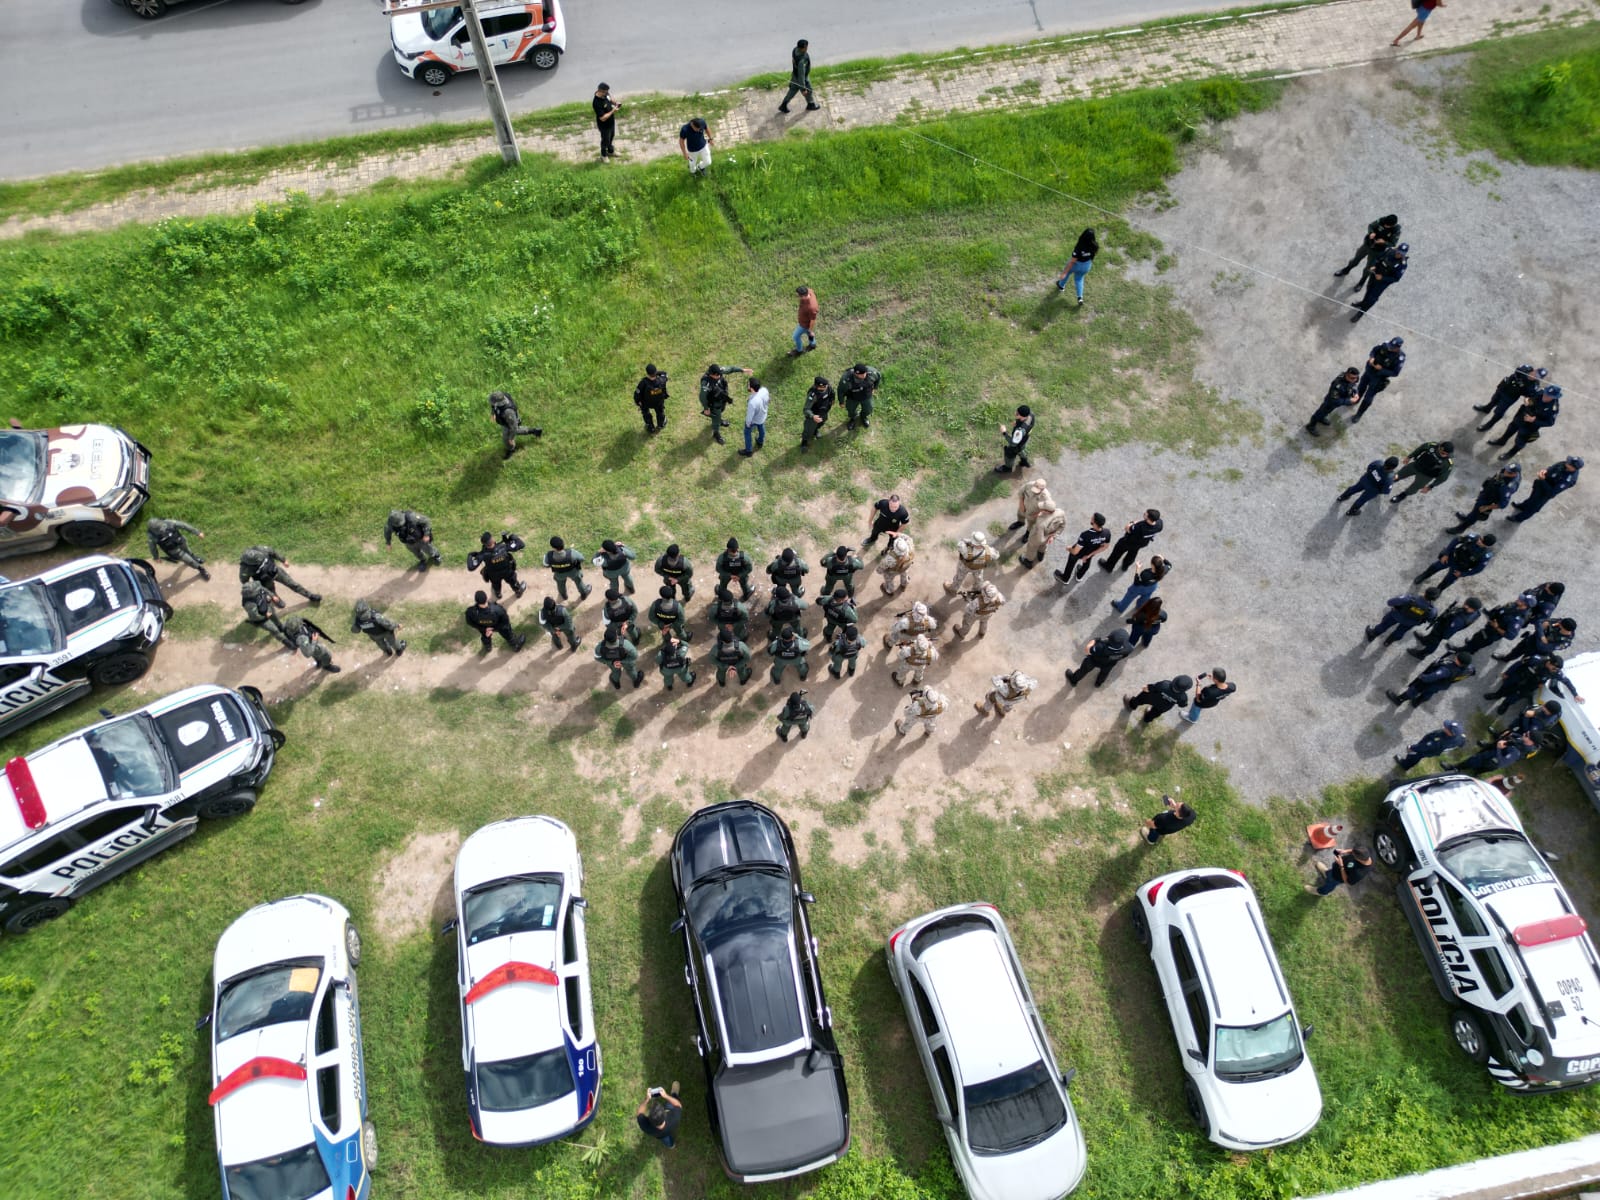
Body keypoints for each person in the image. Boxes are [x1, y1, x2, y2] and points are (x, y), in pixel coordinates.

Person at [1489, 385, 1562, 462]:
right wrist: (1527, 399)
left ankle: (1511, 453)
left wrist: (1534, 420)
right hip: (1522, 415)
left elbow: (1550, 422)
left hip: (1530, 426)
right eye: (1545, 393)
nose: (1545, 396)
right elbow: (1530, 395)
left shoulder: (1553, 408)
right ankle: (1501, 441)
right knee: (1511, 428)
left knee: (1520, 441)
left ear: (1554, 397)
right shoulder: (1541, 392)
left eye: (1548, 396)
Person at [1386, 650, 1474, 707]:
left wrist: (1423, 677)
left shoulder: (1447, 669)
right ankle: (1417, 702)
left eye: (1457, 657)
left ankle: (1400, 700)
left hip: (1432, 682)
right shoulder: (1468, 669)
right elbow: (1471, 672)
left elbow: (1434, 676)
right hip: (1443, 684)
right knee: (1429, 692)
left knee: (1414, 689)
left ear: (1458, 661)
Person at [1448, 465, 1521, 533]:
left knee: (1475, 514)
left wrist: (1487, 507)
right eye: (1506, 469)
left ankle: (1461, 528)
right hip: (1486, 493)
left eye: (1508, 472)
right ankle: (1467, 518)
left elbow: (1503, 504)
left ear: (1514, 474)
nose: (1505, 471)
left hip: (1488, 501)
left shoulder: (1508, 487)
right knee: (1474, 511)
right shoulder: (1507, 470)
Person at [1508, 456, 1582, 522]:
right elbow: (1553, 467)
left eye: (1569, 463)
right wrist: (1545, 470)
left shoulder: (1568, 480)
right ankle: (1523, 506)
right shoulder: (1564, 464)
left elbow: (1552, 492)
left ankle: (1518, 518)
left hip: (1545, 493)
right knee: (1532, 498)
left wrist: (1543, 480)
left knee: (1534, 507)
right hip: (1541, 484)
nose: (1566, 462)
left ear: (1573, 468)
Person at [1412, 533, 1494, 592]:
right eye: (1481, 539)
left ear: (1487, 546)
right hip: (1452, 557)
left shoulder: (1485, 555)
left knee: (1448, 580)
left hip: (1460, 568)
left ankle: (1438, 590)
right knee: (1435, 566)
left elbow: (1478, 569)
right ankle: (1424, 576)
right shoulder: (1473, 537)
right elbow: (1456, 540)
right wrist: (1446, 553)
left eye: (1482, 542)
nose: (1479, 541)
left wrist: (1463, 574)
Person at [1476, 365, 1548, 432]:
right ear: (1535, 370)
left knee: (1499, 412)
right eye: (1536, 373)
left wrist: (1524, 390)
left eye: (1538, 376)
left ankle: (1489, 425)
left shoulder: (1534, 385)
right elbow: (1517, 370)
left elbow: (1529, 395)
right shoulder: (1527, 368)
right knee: (1494, 400)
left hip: (1510, 397)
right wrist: (1519, 379)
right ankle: (1486, 409)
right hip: (1504, 388)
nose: (1535, 376)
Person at [239, 545, 321, 603]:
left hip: (276, 571)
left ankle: (310, 596)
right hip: (264, 581)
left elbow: (273, 552)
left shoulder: (259, 549)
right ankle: (277, 601)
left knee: (292, 584)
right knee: (273, 595)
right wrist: (267, 593)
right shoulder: (244, 569)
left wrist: (283, 560)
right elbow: (246, 582)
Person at [1334, 214, 1400, 284]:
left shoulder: (1396, 231)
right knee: (1356, 259)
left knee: (1369, 268)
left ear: (1393, 225)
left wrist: (1384, 242)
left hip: (1377, 251)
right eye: (1385, 224)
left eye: (1388, 225)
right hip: (1367, 245)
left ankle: (1362, 282)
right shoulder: (1382, 220)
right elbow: (1371, 226)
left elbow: (1393, 243)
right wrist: (1371, 233)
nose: (1385, 226)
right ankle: (1346, 270)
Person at [1409, 595, 1482, 657]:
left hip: (1442, 630)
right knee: (1432, 635)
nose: (1464, 604)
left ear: (1471, 608)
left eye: (1466, 604)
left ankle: (1423, 654)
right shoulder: (1476, 612)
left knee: (1434, 642)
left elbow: (1449, 631)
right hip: (1443, 624)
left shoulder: (1459, 620)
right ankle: (1425, 640)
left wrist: (1441, 635)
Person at [1349, 243, 1407, 321]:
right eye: (1398, 251)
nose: (1398, 254)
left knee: (1372, 298)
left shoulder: (1402, 264)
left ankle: (1361, 313)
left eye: (1401, 253)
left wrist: (1382, 278)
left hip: (1381, 283)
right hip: (1375, 275)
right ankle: (1363, 302)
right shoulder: (1390, 251)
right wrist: (1374, 266)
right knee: (1369, 289)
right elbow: (1379, 258)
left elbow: (1395, 278)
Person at [1351, 338, 1405, 422]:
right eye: (1390, 346)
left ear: (1398, 348)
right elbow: (1374, 350)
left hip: (1378, 378)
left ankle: (1359, 414)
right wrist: (1371, 357)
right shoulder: (1385, 345)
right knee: (1361, 388)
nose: (1390, 348)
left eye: (1393, 347)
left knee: (1368, 398)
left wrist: (1381, 370)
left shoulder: (1400, 357)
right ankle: (1355, 400)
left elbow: (1395, 373)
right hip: (1369, 371)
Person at [1457, 596, 1531, 656]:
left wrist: (1496, 627)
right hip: (1489, 627)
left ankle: (1462, 650)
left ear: (1525, 606)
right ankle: (1471, 648)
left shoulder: (1518, 620)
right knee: (1476, 637)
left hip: (1492, 634)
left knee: (1478, 642)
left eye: (1522, 600)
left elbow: (1510, 636)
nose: (1519, 598)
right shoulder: (1514, 605)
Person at [1389, 440, 1454, 505]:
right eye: (1442, 452)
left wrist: (1430, 487)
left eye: (1446, 454)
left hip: (1426, 476)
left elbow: (1443, 478)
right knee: (1400, 474)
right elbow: (1420, 449)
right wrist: (1409, 457)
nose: (1443, 455)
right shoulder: (1431, 446)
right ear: (1439, 447)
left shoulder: (1448, 463)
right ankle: (1389, 482)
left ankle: (1402, 495)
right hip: (1416, 465)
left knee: (1414, 488)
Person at [698, 363, 750, 444]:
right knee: (716, 417)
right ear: (711, 374)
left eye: (719, 375)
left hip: (721, 398)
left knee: (721, 411)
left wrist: (742, 370)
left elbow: (731, 368)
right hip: (714, 404)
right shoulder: (706, 383)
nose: (719, 376)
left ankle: (720, 420)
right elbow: (702, 397)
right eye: (716, 375)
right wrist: (706, 408)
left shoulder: (719, 371)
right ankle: (716, 433)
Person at [1052, 513, 1112, 584]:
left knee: (1071, 562)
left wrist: (1069, 548)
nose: (1091, 518)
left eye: (1092, 518)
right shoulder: (1107, 532)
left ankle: (1065, 578)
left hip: (1079, 552)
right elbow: (1105, 547)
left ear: (1094, 522)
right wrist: (1089, 555)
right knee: (1086, 563)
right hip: (1090, 552)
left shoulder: (1085, 535)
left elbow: (1075, 552)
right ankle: (1079, 576)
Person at [468, 531, 528, 601]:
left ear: (484, 544)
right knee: (513, 582)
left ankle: (498, 594)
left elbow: (471, 567)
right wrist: (513, 537)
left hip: (494, 575)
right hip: (508, 572)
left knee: (496, 585)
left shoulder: (483, 554)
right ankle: (518, 591)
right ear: (492, 540)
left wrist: (470, 555)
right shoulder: (503, 547)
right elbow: (521, 544)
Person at [1365, 589, 1438, 647]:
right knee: (1400, 632)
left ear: (1425, 592)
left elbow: (1390, 602)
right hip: (1410, 623)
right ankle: (1388, 642)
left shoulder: (1410, 598)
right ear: (1434, 599)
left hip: (1396, 616)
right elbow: (1430, 619)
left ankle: (1372, 635)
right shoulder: (1432, 610)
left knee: (1384, 625)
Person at [1101, 509, 1163, 575]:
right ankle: (1125, 566)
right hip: (1142, 543)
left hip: (1128, 541)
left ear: (1149, 518)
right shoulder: (1159, 524)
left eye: (1145, 514)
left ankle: (1109, 566)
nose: (1144, 513)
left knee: (1117, 553)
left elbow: (1127, 528)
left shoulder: (1139, 527)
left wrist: (1132, 522)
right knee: (1132, 554)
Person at [1066, 629, 1133, 688]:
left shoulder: (1100, 647)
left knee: (1083, 670)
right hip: (1110, 663)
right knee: (1104, 673)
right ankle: (1098, 683)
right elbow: (1125, 655)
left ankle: (1073, 680)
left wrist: (1095, 640)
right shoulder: (1129, 648)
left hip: (1094, 661)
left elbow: (1088, 650)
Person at [1496, 615, 1576, 665]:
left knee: (1524, 663)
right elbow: (1539, 622)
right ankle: (1505, 659)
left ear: (1565, 628)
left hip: (1536, 651)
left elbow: (1542, 647)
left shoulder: (1564, 642)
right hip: (1530, 640)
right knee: (1516, 651)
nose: (1558, 624)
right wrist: (1541, 636)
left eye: (1560, 625)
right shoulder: (1559, 622)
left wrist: (1541, 630)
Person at [1305, 367, 1361, 436]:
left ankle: (1321, 418)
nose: (1355, 380)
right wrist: (1349, 400)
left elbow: (1354, 385)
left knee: (1327, 412)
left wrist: (1355, 393)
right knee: (1320, 413)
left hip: (1336, 403)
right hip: (1330, 402)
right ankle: (1311, 425)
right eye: (1352, 378)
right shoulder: (1337, 384)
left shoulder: (1352, 379)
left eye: (1356, 378)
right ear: (1346, 375)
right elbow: (1335, 400)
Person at [1394, 719, 1466, 770]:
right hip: (1435, 750)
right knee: (1418, 755)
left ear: (1451, 733)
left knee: (1415, 755)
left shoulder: (1440, 740)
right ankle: (1407, 764)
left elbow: (1425, 747)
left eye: (1446, 728)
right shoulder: (1459, 737)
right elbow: (1462, 742)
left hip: (1429, 748)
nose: (1444, 726)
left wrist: (1412, 747)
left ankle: (1405, 765)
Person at [240, 579, 293, 648]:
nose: (259, 590)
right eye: (257, 590)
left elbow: (263, 589)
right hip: (261, 618)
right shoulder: (249, 604)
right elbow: (255, 616)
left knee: (275, 618)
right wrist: (265, 616)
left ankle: (280, 627)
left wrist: (272, 596)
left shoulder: (256, 587)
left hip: (267, 607)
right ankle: (286, 642)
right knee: (274, 630)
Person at [489, 391, 541, 457]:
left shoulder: (508, 412)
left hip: (509, 423)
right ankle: (535, 431)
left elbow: (514, 427)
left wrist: (511, 438)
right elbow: (493, 405)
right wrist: (493, 413)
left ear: (499, 403)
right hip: (507, 421)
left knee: (507, 438)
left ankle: (511, 449)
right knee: (518, 431)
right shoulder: (503, 396)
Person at [1018, 501, 1068, 570]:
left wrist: (1049, 536)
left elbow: (1040, 540)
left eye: (1043, 508)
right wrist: (1053, 536)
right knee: (1043, 546)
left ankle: (1028, 562)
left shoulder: (1041, 522)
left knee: (1031, 548)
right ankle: (1040, 556)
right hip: (1048, 538)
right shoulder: (1061, 512)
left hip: (1037, 537)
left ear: (1046, 511)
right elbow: (1062, 526)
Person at [1125, 674, 1193, 724]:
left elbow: (1151, 688)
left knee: (1140, 699)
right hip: (1163, 706)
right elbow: (1182, 705)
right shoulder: (1183, 697)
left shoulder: (1165, 684)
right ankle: (1147, 719)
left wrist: (1145, 687)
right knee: (1154, 713)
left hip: (1151, 698)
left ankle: (1132, 705)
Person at [595, 624, 645, 690]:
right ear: (616, 637)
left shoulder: (600, 647)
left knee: (616, 672)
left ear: (605, 638)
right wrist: (621, 662)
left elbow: (597, 657)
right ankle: (636, 682)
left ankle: (616, 684)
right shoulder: (625, 644)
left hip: (612, 663)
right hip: (626, 661)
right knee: (631, 670)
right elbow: (635, 655)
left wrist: (612, 662)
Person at [1056, 228, 1098, 305]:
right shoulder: (1095, 245)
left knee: (1068, 272)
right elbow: (1092, 257)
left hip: (1076, 265)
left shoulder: (1079, 247)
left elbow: (1072, 262)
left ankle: (1061, 286)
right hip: (1086, 266)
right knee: (1079, 279)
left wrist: (1064, 273)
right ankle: (1080, 298)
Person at [1309, 846, 1373, 896]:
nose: (1351, 853)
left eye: (1353, 855)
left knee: (1330, 883)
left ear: (1359, 859)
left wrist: (1341, 866)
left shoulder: (1359, 873)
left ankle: (1321, 892)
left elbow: (1347, 882)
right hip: (1336, 869)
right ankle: (1326, 874)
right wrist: (1344, 851)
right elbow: (1354, 851)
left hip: (1338, 878)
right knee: (1330, 873)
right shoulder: (1367, 852)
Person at [544, 536, 592, 602]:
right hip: (573, 572)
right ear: (563, 545)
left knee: (560, 584)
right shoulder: (571, 553)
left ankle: (564, 595)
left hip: (559, 574)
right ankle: (584, 593)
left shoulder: (548, 556)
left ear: (553, 548)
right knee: (579, 582)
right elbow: (582, 558)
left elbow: (546, 564)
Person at [779, 39, 820, 112]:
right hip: (801, 78)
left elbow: (793, 60)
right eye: (806, 47)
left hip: (795, 76)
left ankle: (783, 105)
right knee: (809, 90)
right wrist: (803, 89)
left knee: (792, 91)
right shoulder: (802, 61)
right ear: (803, 48)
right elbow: (801, 75)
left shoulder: (795, 50)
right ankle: (811, 104)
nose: (807, 48)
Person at [636, 1084, 682, 1148]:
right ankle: (674, 1094)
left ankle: (671, 1145)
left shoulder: (645, 1126)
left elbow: (639, 1112)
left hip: (660, 1136)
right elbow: (678, 1105)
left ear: (649, 1119)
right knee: (672, 1102)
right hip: (670, 1128)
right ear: (665, 1113)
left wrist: (647, 1099)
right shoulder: (675, 1117)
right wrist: (665, 1096)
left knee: (666, 1139)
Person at [839, 363, 882, 431]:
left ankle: (863, 417)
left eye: (864, 373)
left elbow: (878, 376)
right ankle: (853, 418)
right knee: (850, 409)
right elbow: (841, 390)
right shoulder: (846, 378)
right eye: (861, 374)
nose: (863, 375)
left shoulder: (872, 372)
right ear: (855, 373)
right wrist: (841, 402)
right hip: (852, 397)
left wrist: (875, 388)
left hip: (867, 396)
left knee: (869, 409)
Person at [633, 364, 670, 434]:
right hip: (659, 402)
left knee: (645, 413)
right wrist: (656, 373)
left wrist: (637, 402)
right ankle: (661, 424)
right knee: (660, 412)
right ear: (655, 372)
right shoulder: (662, 379)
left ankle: (650, 427)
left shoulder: (643, 383)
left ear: (647, 373)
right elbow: (664, 373)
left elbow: (637, 394)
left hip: (646, 403)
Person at [996, 406, 1035, 473]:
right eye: (1016, 411)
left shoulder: (1019, 431)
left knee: (1009, 454)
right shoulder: (1031, 415)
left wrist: (1004, 432)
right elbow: (1024, 422)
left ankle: (1008, 468)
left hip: (1017, 443)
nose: (1015, 413)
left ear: (1022, 416)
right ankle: (1024, 461)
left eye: (1017, 414)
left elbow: (1013, 443)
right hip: (1024, 440)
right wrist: (1017, 422)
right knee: (1021, 449)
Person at [801, 375, 835, 450]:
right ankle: (804, 441)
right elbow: (806, 409)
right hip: (814, 415)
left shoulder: (828, 387)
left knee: (821, 423)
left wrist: (832, 399)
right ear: (818, 387)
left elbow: (832, 393)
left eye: (826, 386)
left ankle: (815, 431)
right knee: (808, 429)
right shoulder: (813, 395)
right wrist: (813, 416)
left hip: (823, 412)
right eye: (824, 386)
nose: (827, 387)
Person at [739, 376, 769, 457]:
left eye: (748, 384)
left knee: (747, 433)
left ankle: (748, 451)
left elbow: (749, 417)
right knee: (761, 427)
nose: (747, 385)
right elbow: (768, 400)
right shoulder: (764, 390)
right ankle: (760, 441)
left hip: (755, 420)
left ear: (751, 388)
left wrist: (748, 424)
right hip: (763, 416)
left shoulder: (752, 403)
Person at [593, 83, 621, 159]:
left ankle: (611, 151)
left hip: (611, 122)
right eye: (605, 92)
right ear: (600, 91)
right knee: (605, 141)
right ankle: (604, 156)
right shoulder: (596, 102)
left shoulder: (605, 94)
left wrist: (615, 103)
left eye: (607, 92)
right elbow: (602, 118)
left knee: (611, 137)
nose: (607, 93)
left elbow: (610, 98)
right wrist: (613, 111)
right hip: (604, 126)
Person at [790, 286, 819, 356]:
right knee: (809, 333)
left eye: (798, 295)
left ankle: (799, 350)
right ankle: (813, 344)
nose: (796, 296)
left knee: (795, 337)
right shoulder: (809, 291)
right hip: (804, 321)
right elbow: (811, 289)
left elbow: (813, 320)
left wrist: (810, 330)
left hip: (804, 324)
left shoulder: (812, 307)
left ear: (803, 296)